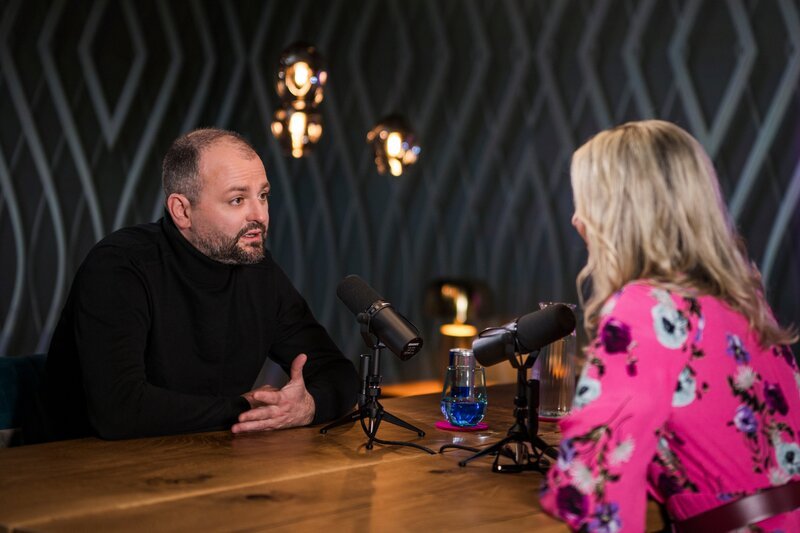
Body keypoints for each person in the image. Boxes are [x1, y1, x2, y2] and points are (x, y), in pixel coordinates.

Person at [540, 120, 800, 531]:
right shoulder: (742, 297)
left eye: (587, 201)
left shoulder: (646, 308)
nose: (576, 219)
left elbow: (592, 480)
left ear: (622, 212)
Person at [45, 128, 359, 440]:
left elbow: (337, 371)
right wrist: (244, 408)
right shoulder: (119, 266)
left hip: (204, 456)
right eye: (237, 200)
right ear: (182, 211)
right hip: (79, 461)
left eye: (263, 196)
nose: (260, 216)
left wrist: (307, 407)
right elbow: (119, 411)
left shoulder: (260, 272)